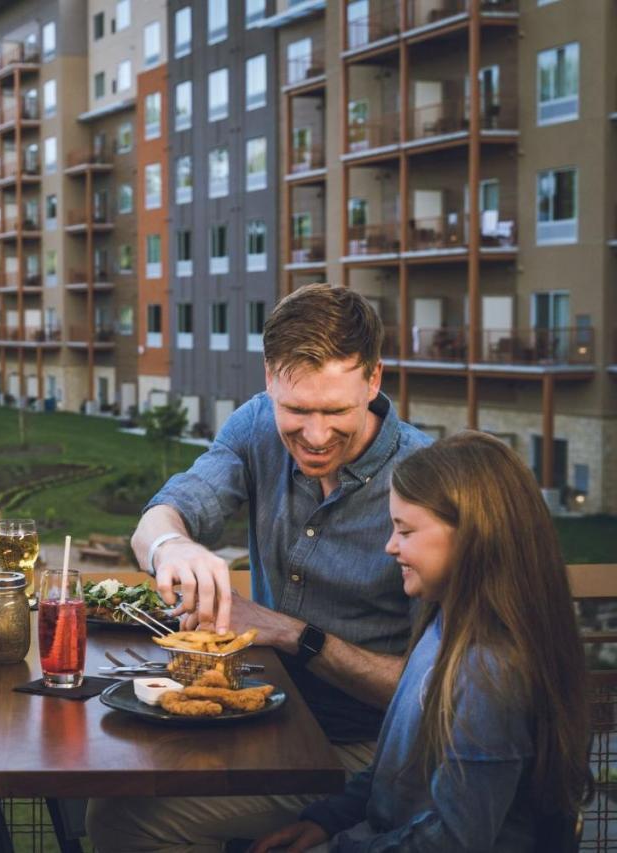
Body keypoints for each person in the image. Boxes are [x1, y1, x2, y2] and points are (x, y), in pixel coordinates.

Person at [88, 284, 432, 851]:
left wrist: (293, 635)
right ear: (270, 375)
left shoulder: (426, 478)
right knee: (106, 769)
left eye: (336, 411)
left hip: (366, 749)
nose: (316, 436)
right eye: (297, 410)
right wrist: (170, 545)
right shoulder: (254, 426)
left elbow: (432, 691)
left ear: (373, 381)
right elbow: (162, 515)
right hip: (258, 719)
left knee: (127, 818)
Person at [251, 432, 592, 851]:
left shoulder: (490, 673)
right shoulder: (441, 625)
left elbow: (454, 840)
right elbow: (392, 770)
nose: (390, 546)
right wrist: (326, 821)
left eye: (405, 530)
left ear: (471, 536)